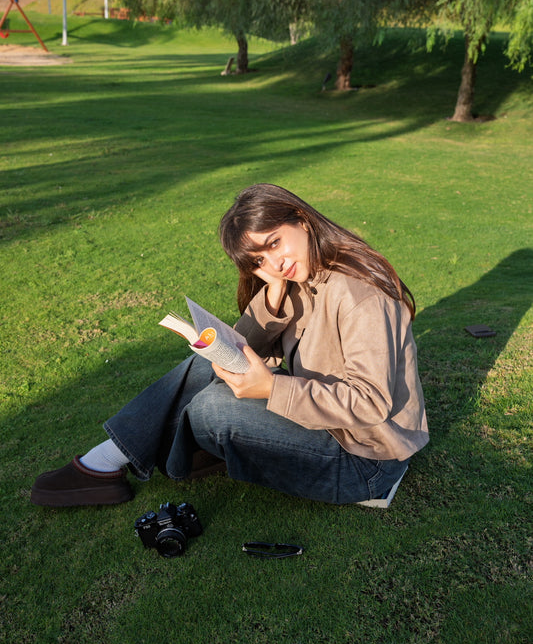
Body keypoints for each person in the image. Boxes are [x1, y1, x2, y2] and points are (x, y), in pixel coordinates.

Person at [31, 184, 428, 507]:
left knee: (210, 408)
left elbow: (371, 403)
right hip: (328, 426)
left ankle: (142, 453)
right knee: (209, 360)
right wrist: (272, 298)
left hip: (366, 461)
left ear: (303, 221)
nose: (273, 264)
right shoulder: (302, 275)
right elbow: (242, 349)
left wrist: (272, 388)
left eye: (274, 243)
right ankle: (103, 462)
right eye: (256, 261)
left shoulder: (358, 294)